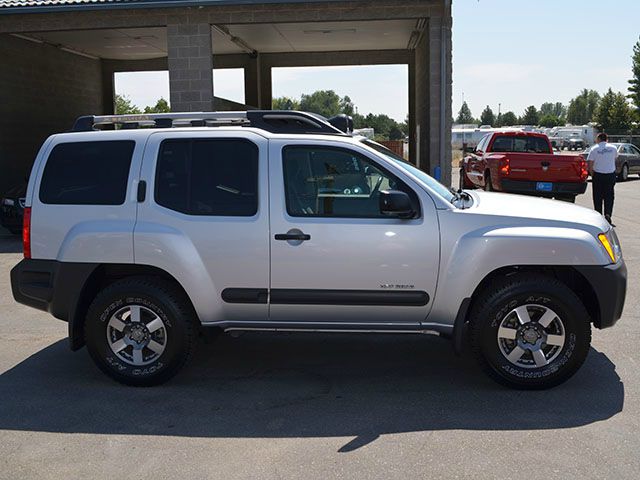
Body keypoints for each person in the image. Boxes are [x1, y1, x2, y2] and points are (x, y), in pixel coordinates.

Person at [587, 133, 618, 225]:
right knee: (609, 196)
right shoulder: (613, 148)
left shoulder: (594, 149)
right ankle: (608, 214)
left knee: (597, 196)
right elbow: (615, 158)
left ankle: (598, 215)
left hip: (598, 175)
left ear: (599, 139)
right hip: (610, 174)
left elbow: (590, 163)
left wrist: (592, 174)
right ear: (606, 139)